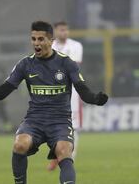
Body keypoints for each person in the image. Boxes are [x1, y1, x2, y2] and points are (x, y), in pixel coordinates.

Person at [0, 21, 108, 184]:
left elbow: (83, 92)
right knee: (20, 144)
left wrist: (96, 99)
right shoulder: (25, 64)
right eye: (33, 39)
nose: (36, 43)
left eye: (41, 39)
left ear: (51, 41)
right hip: (35, 119)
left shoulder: (66, 63)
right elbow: (2, 93)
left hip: (60, 120)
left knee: (64, 151)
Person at [48, 21, 84, 171]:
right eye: (61, 30)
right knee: (52, 125)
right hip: (53, 92)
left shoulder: (76, 46)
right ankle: (57, 154)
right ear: (55, 31)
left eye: (66, 30)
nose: (64, 33)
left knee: (74, 126)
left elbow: (72, 67)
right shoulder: (50, 45)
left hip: (72, 92)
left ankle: (68, 159)